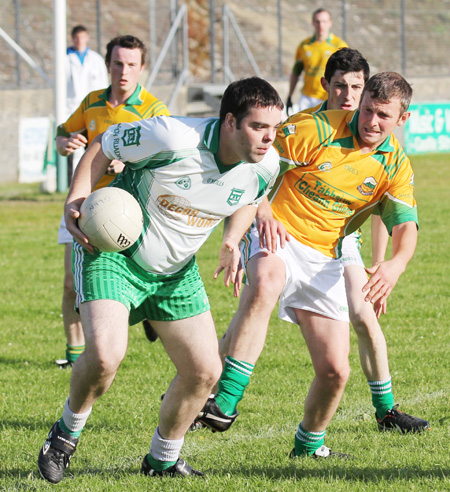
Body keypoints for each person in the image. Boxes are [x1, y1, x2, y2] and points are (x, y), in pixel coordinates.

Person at [37, 76, 284, 484]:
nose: (268, 138)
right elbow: (104, 143)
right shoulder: (172, 136)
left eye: (274, 129)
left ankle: (162, 459)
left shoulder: (266, 164)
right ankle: (64, 436)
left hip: (175, 274)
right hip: (116, 256)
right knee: (104, 356)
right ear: (229, 123)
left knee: (205, 372)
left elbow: (251, 195)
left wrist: (231, 240)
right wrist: (76, 198)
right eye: (258, 127)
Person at [197, 72, 430, 458]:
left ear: (402, 119)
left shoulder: (395, 166)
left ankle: (308, 446)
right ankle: (225, 402)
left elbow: (405, 224)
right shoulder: (314, 128)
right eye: (367, 110)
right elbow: (253, 167)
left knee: (336, 372)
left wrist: (395, 264)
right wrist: (262, 213)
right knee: (267, 281)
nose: (371, 121)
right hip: (279, 233)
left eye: (383, 116)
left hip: (327, 257)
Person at [55, 35, 170, 369]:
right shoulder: (92, 102)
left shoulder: (153, 110)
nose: (124, 71)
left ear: (142, 68)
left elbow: (166, 157)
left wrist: (131, 161)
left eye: (131, 64)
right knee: (70, 283)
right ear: (107, 65)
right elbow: (63, 133)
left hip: (129, 210)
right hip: (84, 201)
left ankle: (145, 312)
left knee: (135, 276)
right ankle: (75, 357)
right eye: (118, 63)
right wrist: (65, 144)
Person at [66, 25, 109, 178]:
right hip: (71, 108)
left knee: (94, 145)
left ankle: (92, 177)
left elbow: (104, 84)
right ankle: (75, 181)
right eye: (76, 38)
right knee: (75, 146)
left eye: (82, 37)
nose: (80, 41)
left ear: (87, 38)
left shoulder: (96, 59)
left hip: (92, 109)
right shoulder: (65, 58)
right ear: (72, 39)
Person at [286, 8, 347, 115]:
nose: (321, 25)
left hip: (327, 97)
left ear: (330, 23)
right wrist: (290, 95)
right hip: (307, 97)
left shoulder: (339, 46)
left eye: (324, 21)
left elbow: (346, 75)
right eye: (317, 21)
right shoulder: (304, 46)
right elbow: (296, 72)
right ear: (313, 23)